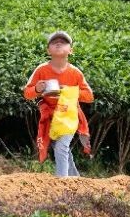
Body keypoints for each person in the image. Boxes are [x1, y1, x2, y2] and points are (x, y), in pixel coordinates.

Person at [23, 30, 94, 177]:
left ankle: (62, 182)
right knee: (61, 148)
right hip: (50, 116)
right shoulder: (41, 70)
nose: (59, 43)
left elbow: (89, 96)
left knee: (61, 146)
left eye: (63, 42)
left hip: (69, 115)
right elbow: (27, 93)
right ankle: (75, 179)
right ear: (48, 50)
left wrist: (67, 91)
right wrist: (37, 88)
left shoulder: (76, 73)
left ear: (71, 50)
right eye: (54, 42)